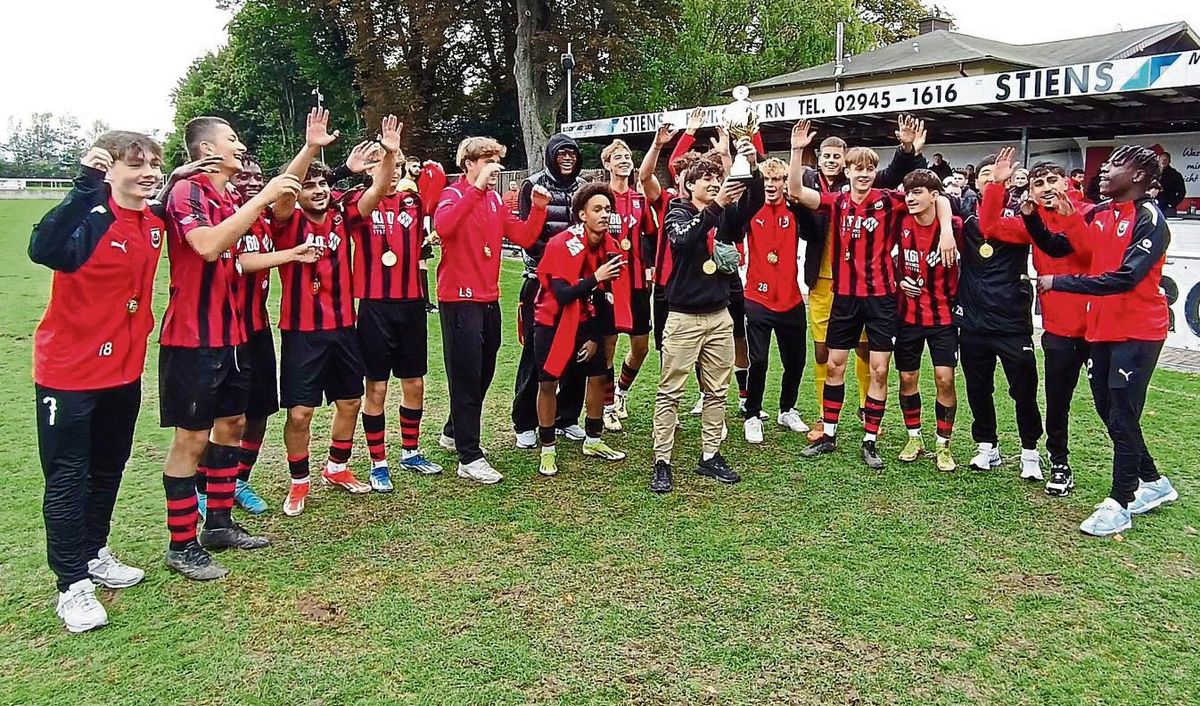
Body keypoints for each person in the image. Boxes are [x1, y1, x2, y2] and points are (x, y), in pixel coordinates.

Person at [29, 133, 168, 632]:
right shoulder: (91, 216)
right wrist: (83, 187)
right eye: (135, 164)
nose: (148, 171)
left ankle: (93, 553)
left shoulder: (153, 223)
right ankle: (71, 585)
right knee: (68, 475)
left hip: (123, 370)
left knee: (109, 465)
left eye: (154, 162)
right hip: (69, 373)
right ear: (108, 169)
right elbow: (44, 249)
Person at [159, 117, 297, 580]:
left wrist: (291, 252)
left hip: (236, 333)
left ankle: (218, 524)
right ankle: (181, 544)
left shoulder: (232, 196)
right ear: (206, 150)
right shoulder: (188, 192)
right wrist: (261, 196)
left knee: (233, 424)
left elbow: (242, 257)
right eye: (232, 139)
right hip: (193, 338)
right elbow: (207, 246)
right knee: (192, 437)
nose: (241, 147)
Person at [1028, 145, 1178, 536]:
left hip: (1138, 331)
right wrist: (1036, 219)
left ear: (1140, 177)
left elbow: (1126, 277)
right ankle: (1154, 483)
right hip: (1102, 330)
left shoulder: (1150, 219)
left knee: (1122, 413)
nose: (1105, 170)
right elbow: (1064, 247)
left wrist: (1061, 283)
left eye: (1115, 166)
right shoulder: (1099, 213)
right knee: (1109, 409)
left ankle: (1120, 501)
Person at [793, 122, 957, 470]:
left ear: (874, 172)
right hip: (846, 298)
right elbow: (796, 191)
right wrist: (796, 151)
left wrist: (946, 233)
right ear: (847, 171)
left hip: (882, 298)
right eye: (858, 168)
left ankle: (870, 439)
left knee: (880, 369)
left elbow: (938, 197)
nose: (864, 174)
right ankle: (830, 434)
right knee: (835, 364)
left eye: (870, 169)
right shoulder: (836, 203)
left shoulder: (889, 200)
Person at [270, 110, 390, 515]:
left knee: (350, 402)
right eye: (310, 185)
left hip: (344, 327)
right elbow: (285, 193)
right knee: (301, 412)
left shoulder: (342, 213)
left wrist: (384, 158)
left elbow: (376, 192)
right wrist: (313, 148)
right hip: (302, 330)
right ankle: (299, 481)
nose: (318, 190)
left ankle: (336, 467)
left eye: (323, 183)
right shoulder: (285, 220)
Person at [434, 136, 550, 484]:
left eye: (496, 158)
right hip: (459, 298)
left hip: (488, 298)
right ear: (468, 163)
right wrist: (476, 188)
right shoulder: (453, 194)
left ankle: (454, 430)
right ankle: (469, 456)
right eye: (486, 159)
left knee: (483, 371)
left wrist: (540, 208)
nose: (493, 165)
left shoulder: (495, 201)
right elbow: (443, 227)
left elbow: (522, 237)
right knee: (466, 374)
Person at [650, 141, 764, 494]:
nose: (715, 183)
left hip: (719, 316)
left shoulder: (726, 213)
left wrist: (752, 164)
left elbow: (756, 201)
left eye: (718, 177)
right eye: (707, 178)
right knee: (671, 392)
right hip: (683, 317)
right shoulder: (677, 212)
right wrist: (716, 206)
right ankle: (662, 461)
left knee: (717, 391)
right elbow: (684, 240)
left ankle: (710, 454)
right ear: (689, 185)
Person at [979, 149, 1093, 496]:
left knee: (1111, 403)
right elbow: (991, 226)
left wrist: (1071, 217)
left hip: (1099, 325)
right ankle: (1059, 463)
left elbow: (1089, 255)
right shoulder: (1034, 222)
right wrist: (996, 185)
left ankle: (1135, 473)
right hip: (1059, 328)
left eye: (1051, 180)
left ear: (1067, 182)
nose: (1045, 188)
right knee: (1058, 400)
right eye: (1038, 182)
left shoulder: (1089, 212)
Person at [344, 127, 444, 496]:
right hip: (375, 307)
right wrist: (381, 157)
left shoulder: (412, 204)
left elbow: (437, 201)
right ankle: (378, 462)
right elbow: (361, 192)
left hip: (411, 305)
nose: (394, 172)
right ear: (370, 170)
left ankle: (411, 451)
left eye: (400, 166)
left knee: (414, 383)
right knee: (378, 386)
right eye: (386, 165)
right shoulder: (359, 203)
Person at [223, 154, 317, 516]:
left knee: (259, 410)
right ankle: (205, 485)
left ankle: (239, 479)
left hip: (257, 326)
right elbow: (237, 262)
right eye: (242, 174)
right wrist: (290, 254)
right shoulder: (225, 216)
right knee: (224, 418)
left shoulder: (266, 218)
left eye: (257, 176)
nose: (250, 180)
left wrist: (322, 160)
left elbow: (289, 193)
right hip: (223, 330)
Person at [953, 155, 1046, 479]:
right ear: (975, 180)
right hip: (973, 319)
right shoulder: (962, 220)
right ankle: (986, 446)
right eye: (985, 175)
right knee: (978, 387)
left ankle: (1030, 452)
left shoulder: (1020, 219)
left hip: (1010, 321)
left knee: (1023, 389)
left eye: (998, 175)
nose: (991, 179)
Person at [534, 184, 630, 475]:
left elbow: (605, 298)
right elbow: (562, 294)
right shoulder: (563, 242)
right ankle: (548, 448)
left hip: (585, 320)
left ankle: (593, 439)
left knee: (599, 376)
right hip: (552, 322)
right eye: (597, 209)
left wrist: (592, 336)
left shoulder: (609, 246)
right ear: (581, 214)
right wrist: (596, 278)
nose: (604, 215)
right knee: (548, 383)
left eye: (607, 209)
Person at [512, 133, 588, 449]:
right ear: (551, 156)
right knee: (535, 354)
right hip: (540, 281)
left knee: (576, 353)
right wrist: (557, 263)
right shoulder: (532, 186)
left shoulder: (584, 186)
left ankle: (567, 418)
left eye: (572, 153)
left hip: (577, 285)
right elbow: (528, 236)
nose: (567, 158)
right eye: (562, 153)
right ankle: (525, 421)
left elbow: (588, 232)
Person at [892, 169, 962, 472]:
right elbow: (884, 256)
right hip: (908, 315)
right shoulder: (900, 220)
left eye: (918, 192)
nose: (910, 197)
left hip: (943, 315)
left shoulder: (955, 225)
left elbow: (947, 203)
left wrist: (946, 229)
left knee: (944, 379)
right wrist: (899, 281)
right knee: (907, 378)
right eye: (908, 192)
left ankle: (943, 444)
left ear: (935, 196)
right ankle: (914, 437)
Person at [740, 157, 811, 443]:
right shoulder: (751, 207)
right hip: (757, 296)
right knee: (757, 361)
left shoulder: (795, 210)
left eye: (776, 180)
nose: (770, 185)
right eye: (766, 180)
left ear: (785, 182)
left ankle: (786, 409)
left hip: (790, 298)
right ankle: (753, 414)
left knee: (795, 362)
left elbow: (814, 232)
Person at [600, 139, 656, 432]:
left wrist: (652, 266)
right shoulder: (599, 196)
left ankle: (621, 393)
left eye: (626, 156)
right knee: (608, 345)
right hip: (609, 284)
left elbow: (651, 234)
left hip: (636, 283)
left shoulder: (640, 199)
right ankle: (607, 407)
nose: (624, 160)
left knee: (641, 346)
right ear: (607, 164)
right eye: (617, 157)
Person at [1157, 150, 1186, 215]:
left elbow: (1182, 192)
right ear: (1158, 160)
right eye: (1162, 159)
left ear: (1169, 161)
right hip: (1154, 205)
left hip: (1168, 208)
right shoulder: (1153, 173)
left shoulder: (1175, 175)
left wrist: (1172, 203)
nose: (1163, 161)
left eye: (1165, 159)